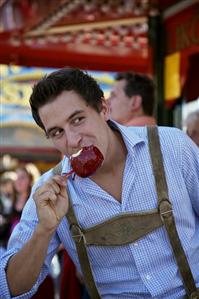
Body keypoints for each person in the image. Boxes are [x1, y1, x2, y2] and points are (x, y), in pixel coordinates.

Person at [0, 68, 198, 299]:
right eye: (57, 132)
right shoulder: (48, 192)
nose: (73, 140)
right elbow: (11, 289)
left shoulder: (171, 147)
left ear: (103, 109)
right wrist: (43, 231)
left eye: (77, 119)